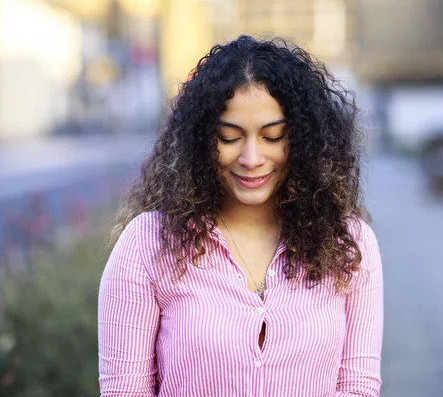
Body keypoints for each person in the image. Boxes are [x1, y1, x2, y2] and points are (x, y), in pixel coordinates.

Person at [98, 35, 383, 397]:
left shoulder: (348, 245)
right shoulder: (147, 244)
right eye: (229, 138)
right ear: (201, 140)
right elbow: (125, 391)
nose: (251, 158)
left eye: (272, 136)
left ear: (303, 139)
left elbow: (357, 387)